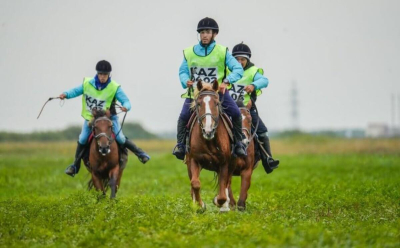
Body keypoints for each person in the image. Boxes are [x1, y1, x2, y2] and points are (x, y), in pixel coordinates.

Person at [59, 60, 150, 177]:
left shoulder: (114, 87)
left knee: (121, 138)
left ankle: (140, 153)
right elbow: (76, 91)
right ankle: (75, 166)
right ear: (97, 74)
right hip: (92, 118)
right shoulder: (88, 84)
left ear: (109, 75)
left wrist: (126, 107)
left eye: (105, 75)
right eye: (100, 74)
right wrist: (65, 94)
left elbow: (126, 101)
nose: (102, 77)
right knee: (82, 139)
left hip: (109, 118)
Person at [173, 17, 246, 160]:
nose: (204, 35)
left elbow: (238, 69)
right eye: (202, 32)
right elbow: (182, 71)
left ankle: (238, 144)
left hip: (217, 94)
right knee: (183, 117)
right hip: (195, 94)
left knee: (236, 113)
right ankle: (181, 146)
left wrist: (227, 81)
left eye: (207, 32)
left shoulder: (222, 51)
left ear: (214, 34)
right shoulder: (189, 52)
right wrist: (185, 80)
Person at [229, 42, 279, 172]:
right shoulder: (227, 71)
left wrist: (253, 85)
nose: (239, 62)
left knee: (262, 131)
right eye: (236, 59)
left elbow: (264, 80)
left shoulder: (253, 71)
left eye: (242, 59)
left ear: (247, 60)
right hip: (227, 109)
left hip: (247, 110)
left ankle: (268, 159)